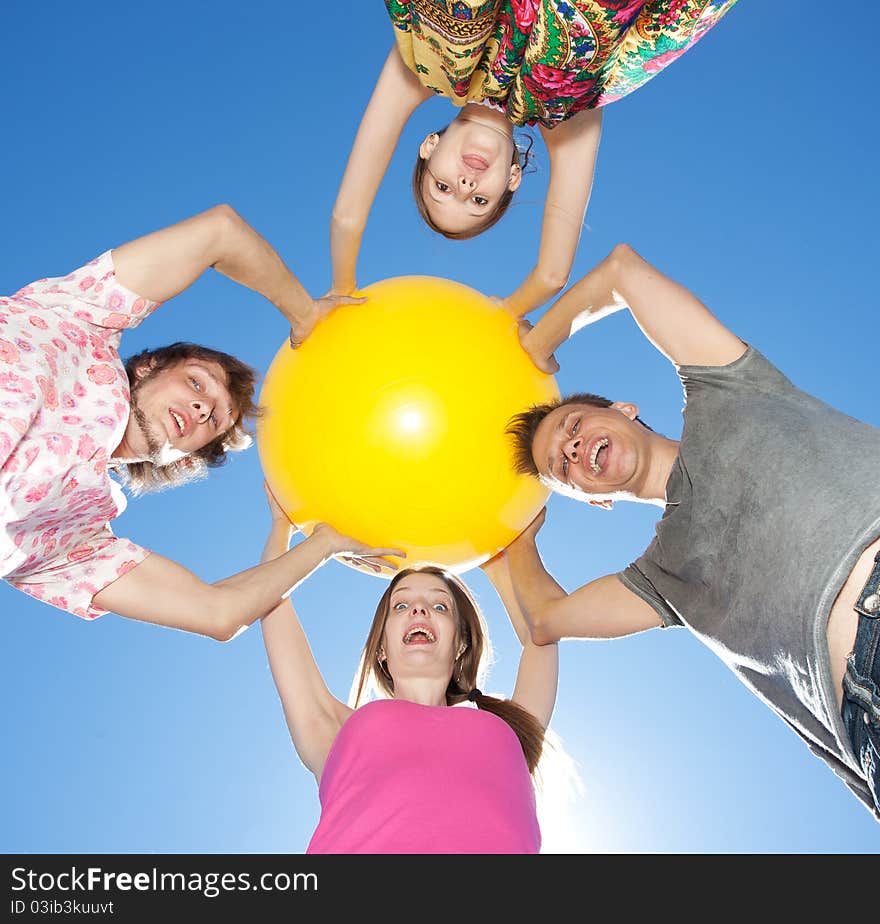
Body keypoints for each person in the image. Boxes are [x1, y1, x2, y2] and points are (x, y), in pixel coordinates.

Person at [503, 242, 880, 820]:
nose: (574, 448)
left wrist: (537, 345)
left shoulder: (728, 390)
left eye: (573, 427)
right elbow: (546, 619)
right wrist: (513, 538)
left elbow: (623, 270)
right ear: (591, 500)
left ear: (624, 409)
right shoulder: (662, 578)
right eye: (563, 467)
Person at [1, 205, 379, 638]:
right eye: (197, 384)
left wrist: (324, 544)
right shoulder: (79, 316)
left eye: (214, 419)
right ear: (148, 366)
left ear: (184, 459)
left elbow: (217, 614)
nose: (203, 409)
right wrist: (304, 315)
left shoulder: (76, 537)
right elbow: (220, 231)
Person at [330, 0, 738, 317]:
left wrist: (342, 288)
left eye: (442, 187)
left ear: (429, 146)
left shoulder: (426, 64)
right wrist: (506, 314)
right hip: (582, 35)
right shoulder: (565, 118)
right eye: (478, 201)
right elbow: (552, 274)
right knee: (558, 98)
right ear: (512, 178)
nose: (465, 186)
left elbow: (348, 214)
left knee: (438, 65)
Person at [259, 486, 559, 853]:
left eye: (440, 606)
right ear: (382, 648)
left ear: (461, 642)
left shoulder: (511, 727)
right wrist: (282, 528)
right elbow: (272, 608)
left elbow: (541, 637)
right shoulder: (336, 730)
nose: (419, 610)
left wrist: (499, 557)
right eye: (401, 606)